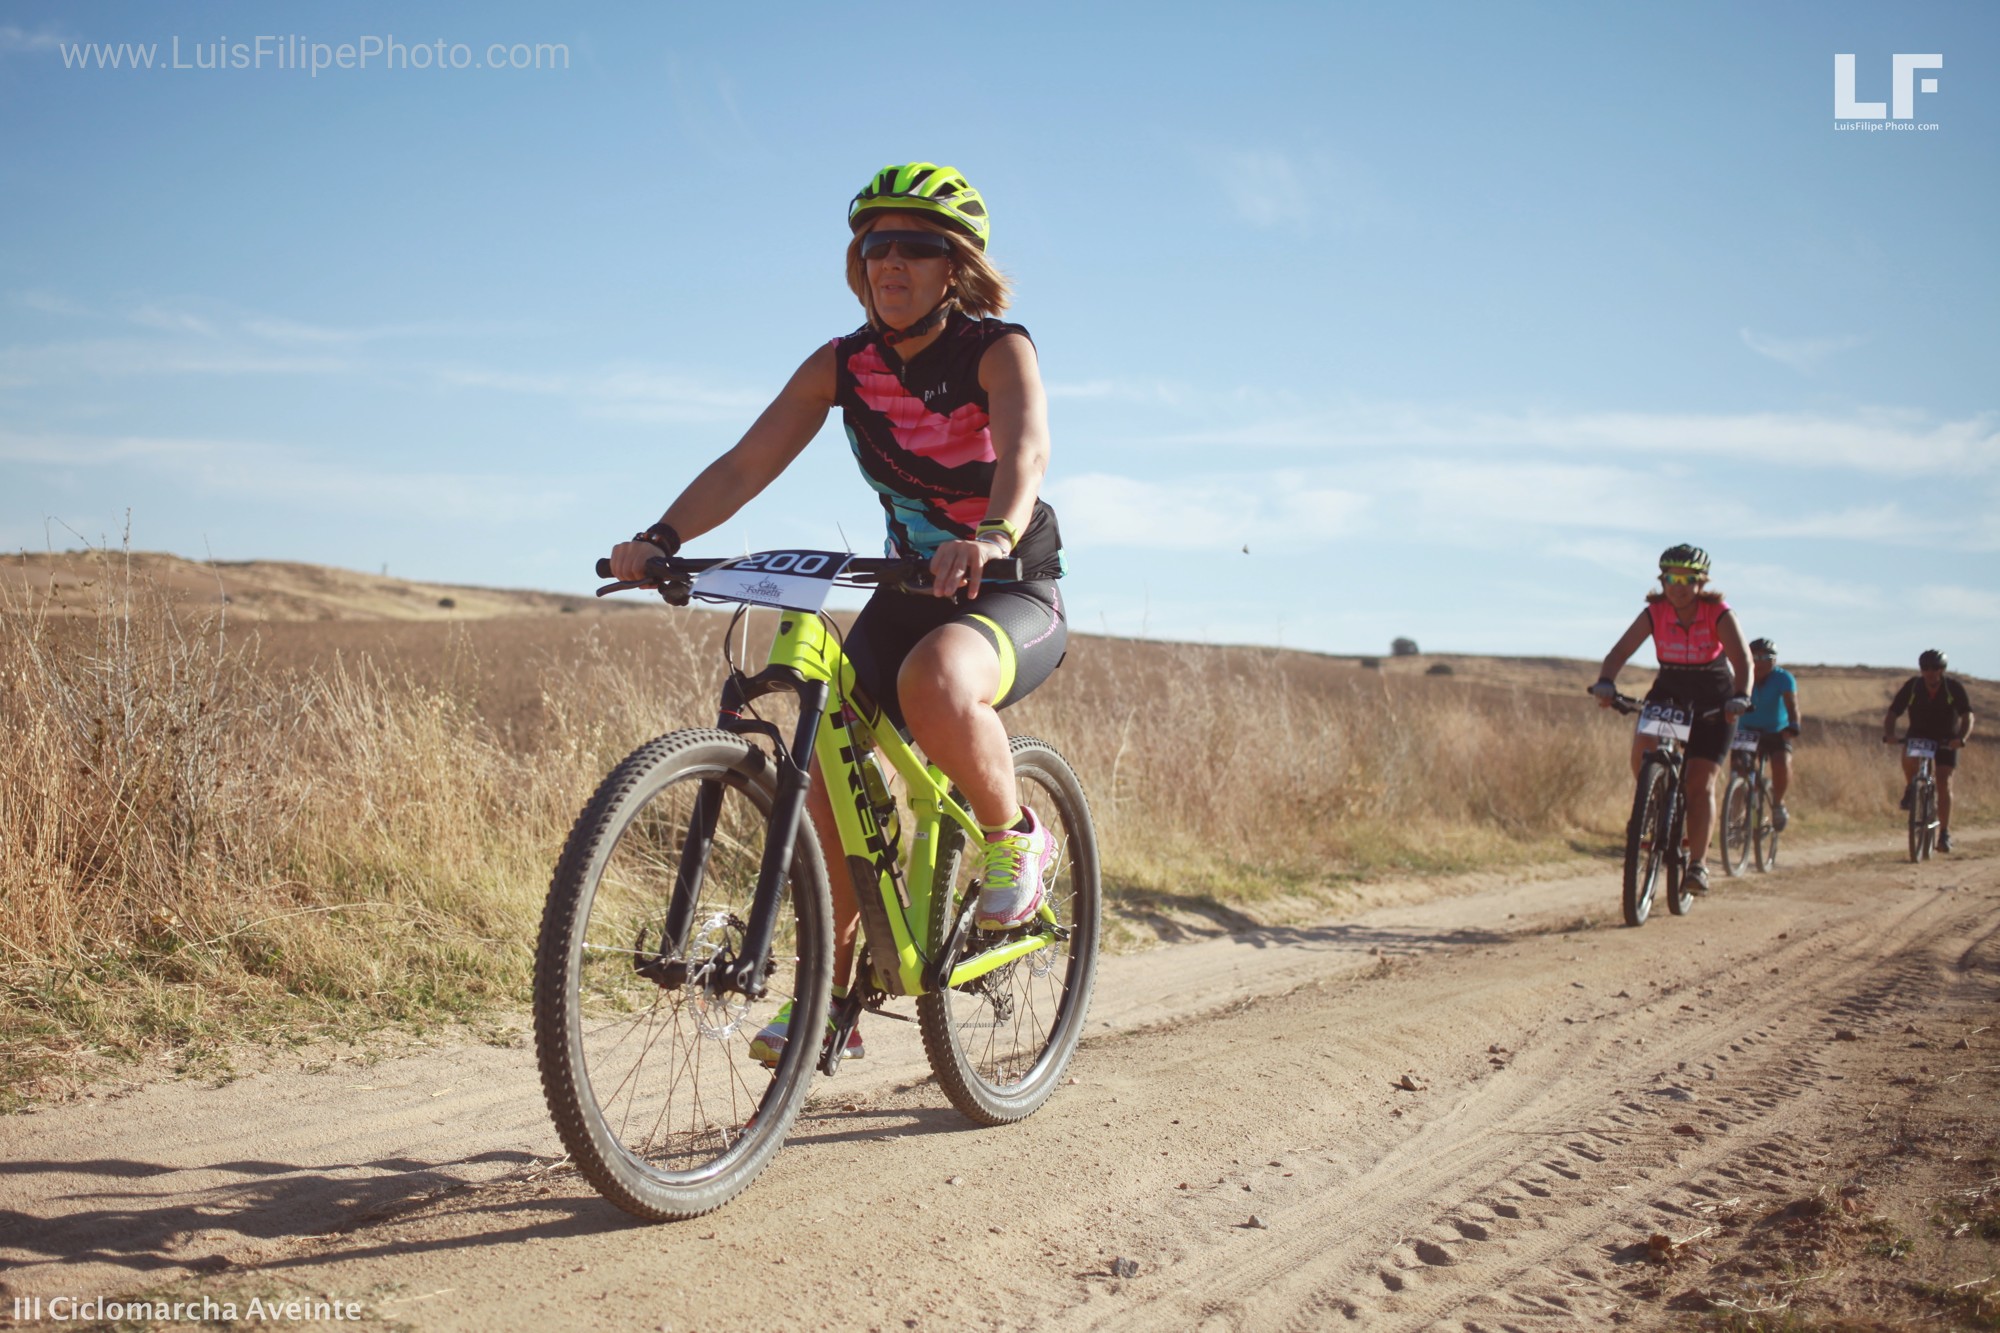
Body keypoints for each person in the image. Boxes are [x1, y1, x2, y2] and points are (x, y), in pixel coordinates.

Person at [607, 162, 1069, 1065]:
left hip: (1011, 588)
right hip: (907, 590)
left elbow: (1026, 450)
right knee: (829, 789)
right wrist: (659, 535)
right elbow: (746, 465)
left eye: (917, 246)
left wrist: (992, 533)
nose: (890, 261)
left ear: (956, 267)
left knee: (935, 684)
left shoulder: (996, 349)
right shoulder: (841, 366)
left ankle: (1016, 839)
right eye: (874, 245)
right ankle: (831, 997)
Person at [1590, 545, 1752, 895]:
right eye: (1670, 578)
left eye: (1686, 579)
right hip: (1670, 691)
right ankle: (1653, 799)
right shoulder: (1655, 611)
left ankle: (1698, 865)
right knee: (1644, 749)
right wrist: (1606, 681)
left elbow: (1743, 661)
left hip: (1716, 699)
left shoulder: (1719, 614)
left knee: (1700, 782)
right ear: (1662, 580)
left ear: (1701, 582)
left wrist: (1741, 697)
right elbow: (1619, 652)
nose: (1677, 586)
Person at [1883, 649, 1975, 853]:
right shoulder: (1914, 686)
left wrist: (1961, 739)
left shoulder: (1953, 688)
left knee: (1943, 780)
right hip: (1919, 735)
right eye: (1926, 668)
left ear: (1942, 670)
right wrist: (1889, 733)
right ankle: (1910, 788)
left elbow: (1967, 715)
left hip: (1946, 739)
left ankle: (1944, 833)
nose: (1930, 672)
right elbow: (1893, 712)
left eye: (1935, 668)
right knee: (1908, 752)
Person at [1738, 638, 1801, 831]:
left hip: (1776, 731)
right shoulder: (1741, 675)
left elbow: (1792, 705)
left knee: (1781, 762)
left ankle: (1778, 804)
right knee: (1739, 768)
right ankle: (1740, 812)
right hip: (1746, 731)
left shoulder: (1783, 678)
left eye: (1765, 657)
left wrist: (1793, 725)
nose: (1759, 661)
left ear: (1774, 660)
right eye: (1755, 656)